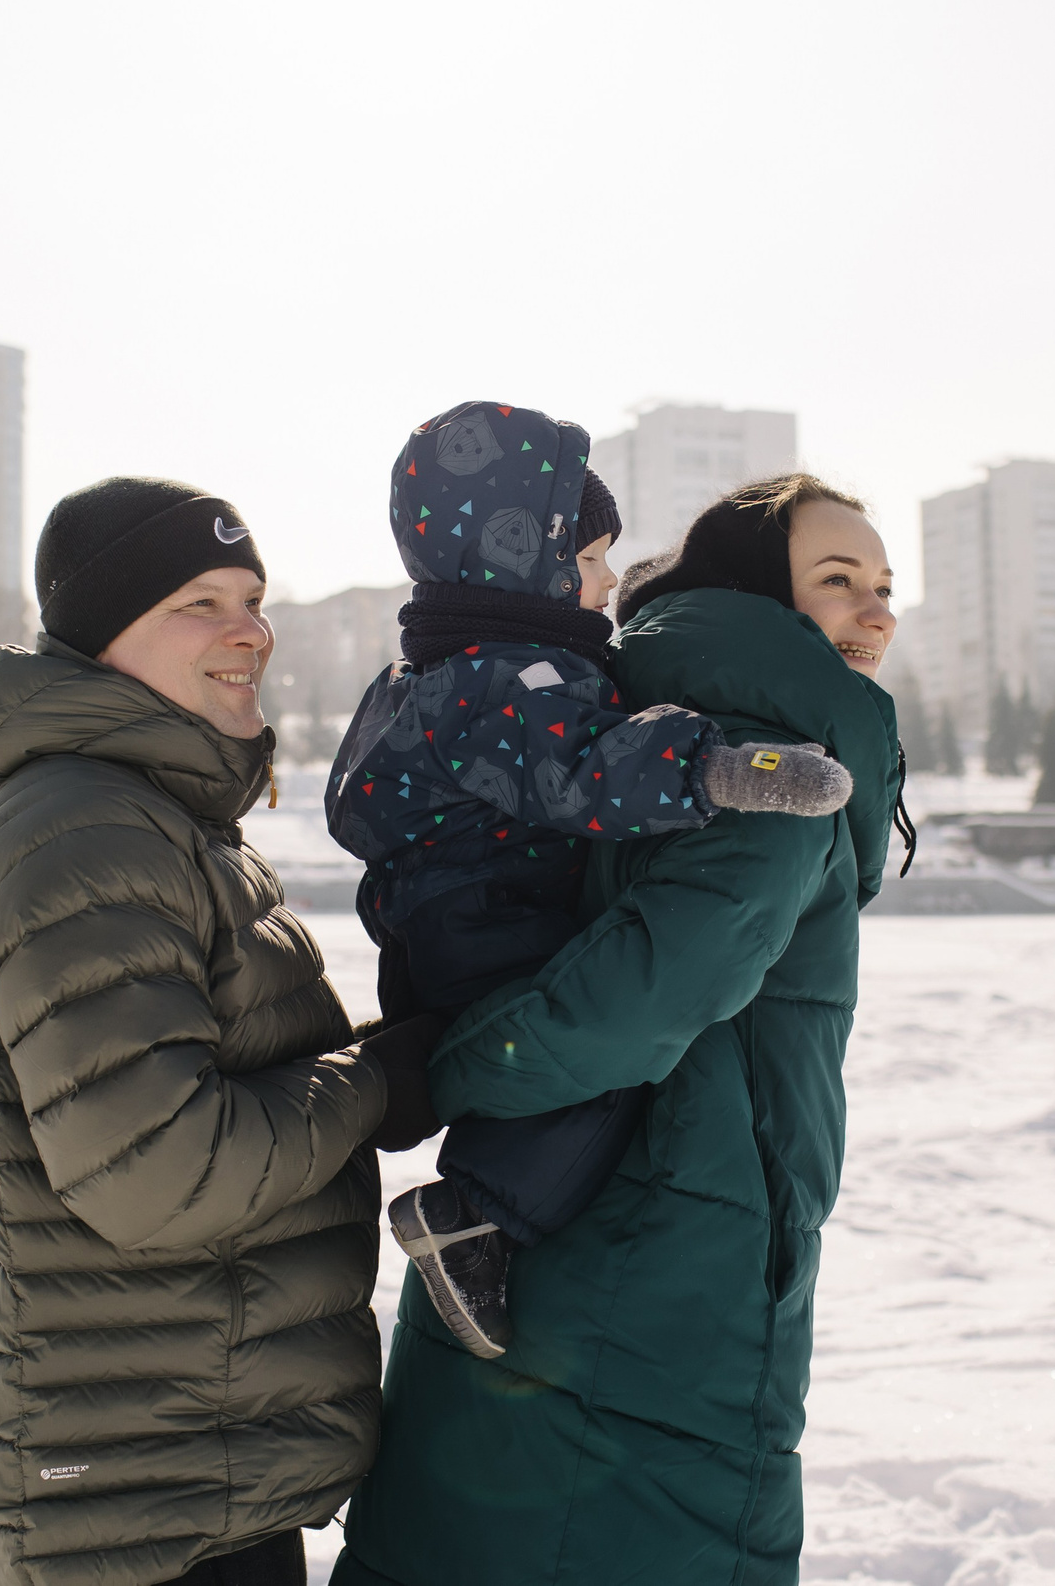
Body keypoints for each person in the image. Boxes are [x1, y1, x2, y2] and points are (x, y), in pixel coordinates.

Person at [333, 473, 910, 1586]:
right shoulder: (771, 763)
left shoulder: (648, 722)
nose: (875, 611)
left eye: (884, 586)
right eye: (835, 582)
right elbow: (639, 994)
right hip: (654, 1275)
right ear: (753, 597)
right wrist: (456, 1071)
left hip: (573, 1244)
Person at [0, 476, 434, 1586]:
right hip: (138, 1501)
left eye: (252, 597)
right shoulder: (85, 830)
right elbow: (154, 1168)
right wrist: (373, 1086)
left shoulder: (153, 819)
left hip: (181, 1464)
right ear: (104, 637)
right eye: (196, 603)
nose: (247, 630)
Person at [325, 400, 854, 1360]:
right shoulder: (513, 679)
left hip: (432, 919)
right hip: (494, 913)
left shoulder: (436, 672)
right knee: (587, 1061)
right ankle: (475, 1213)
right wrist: (721, 765)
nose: (608, 582)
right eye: (592, 560)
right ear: (520, 561)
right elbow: (590, 768)